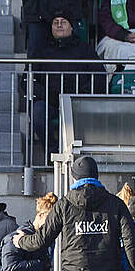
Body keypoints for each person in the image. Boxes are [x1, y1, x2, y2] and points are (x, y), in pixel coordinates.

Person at [29, 12, 101, 160]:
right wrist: (50, 95)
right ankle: (52, 154)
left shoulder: (85, 49)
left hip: (78, 102)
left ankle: (81, 158)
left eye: (63, 22)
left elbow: (99, 77)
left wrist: (81, 95)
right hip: (51, 103)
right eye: (56, 22)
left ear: (72, 27)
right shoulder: (41, 51)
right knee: (37, 112)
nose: (59, 25)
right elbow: (28, 79)